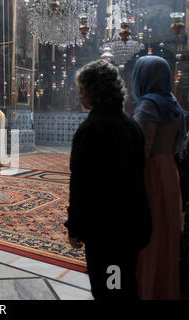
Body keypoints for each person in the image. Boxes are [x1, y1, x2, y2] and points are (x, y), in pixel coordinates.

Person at [65, 60, 152, 300]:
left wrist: (75, 227)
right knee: (124, 286)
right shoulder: (132, 126)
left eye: (82, 90)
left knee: (110, 290)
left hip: (108, 233)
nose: (80, 96)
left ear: (95, 91)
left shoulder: (92, 130)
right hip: (132, 225)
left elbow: (82, 187)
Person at [132, 56, 187, 300]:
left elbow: (142, 147)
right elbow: (179, 145)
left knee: (148, 233)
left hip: (150, 173)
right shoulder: (173, 103)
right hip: (168, 171)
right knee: (167, 231)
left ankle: (146, 290)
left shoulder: (148, 104)